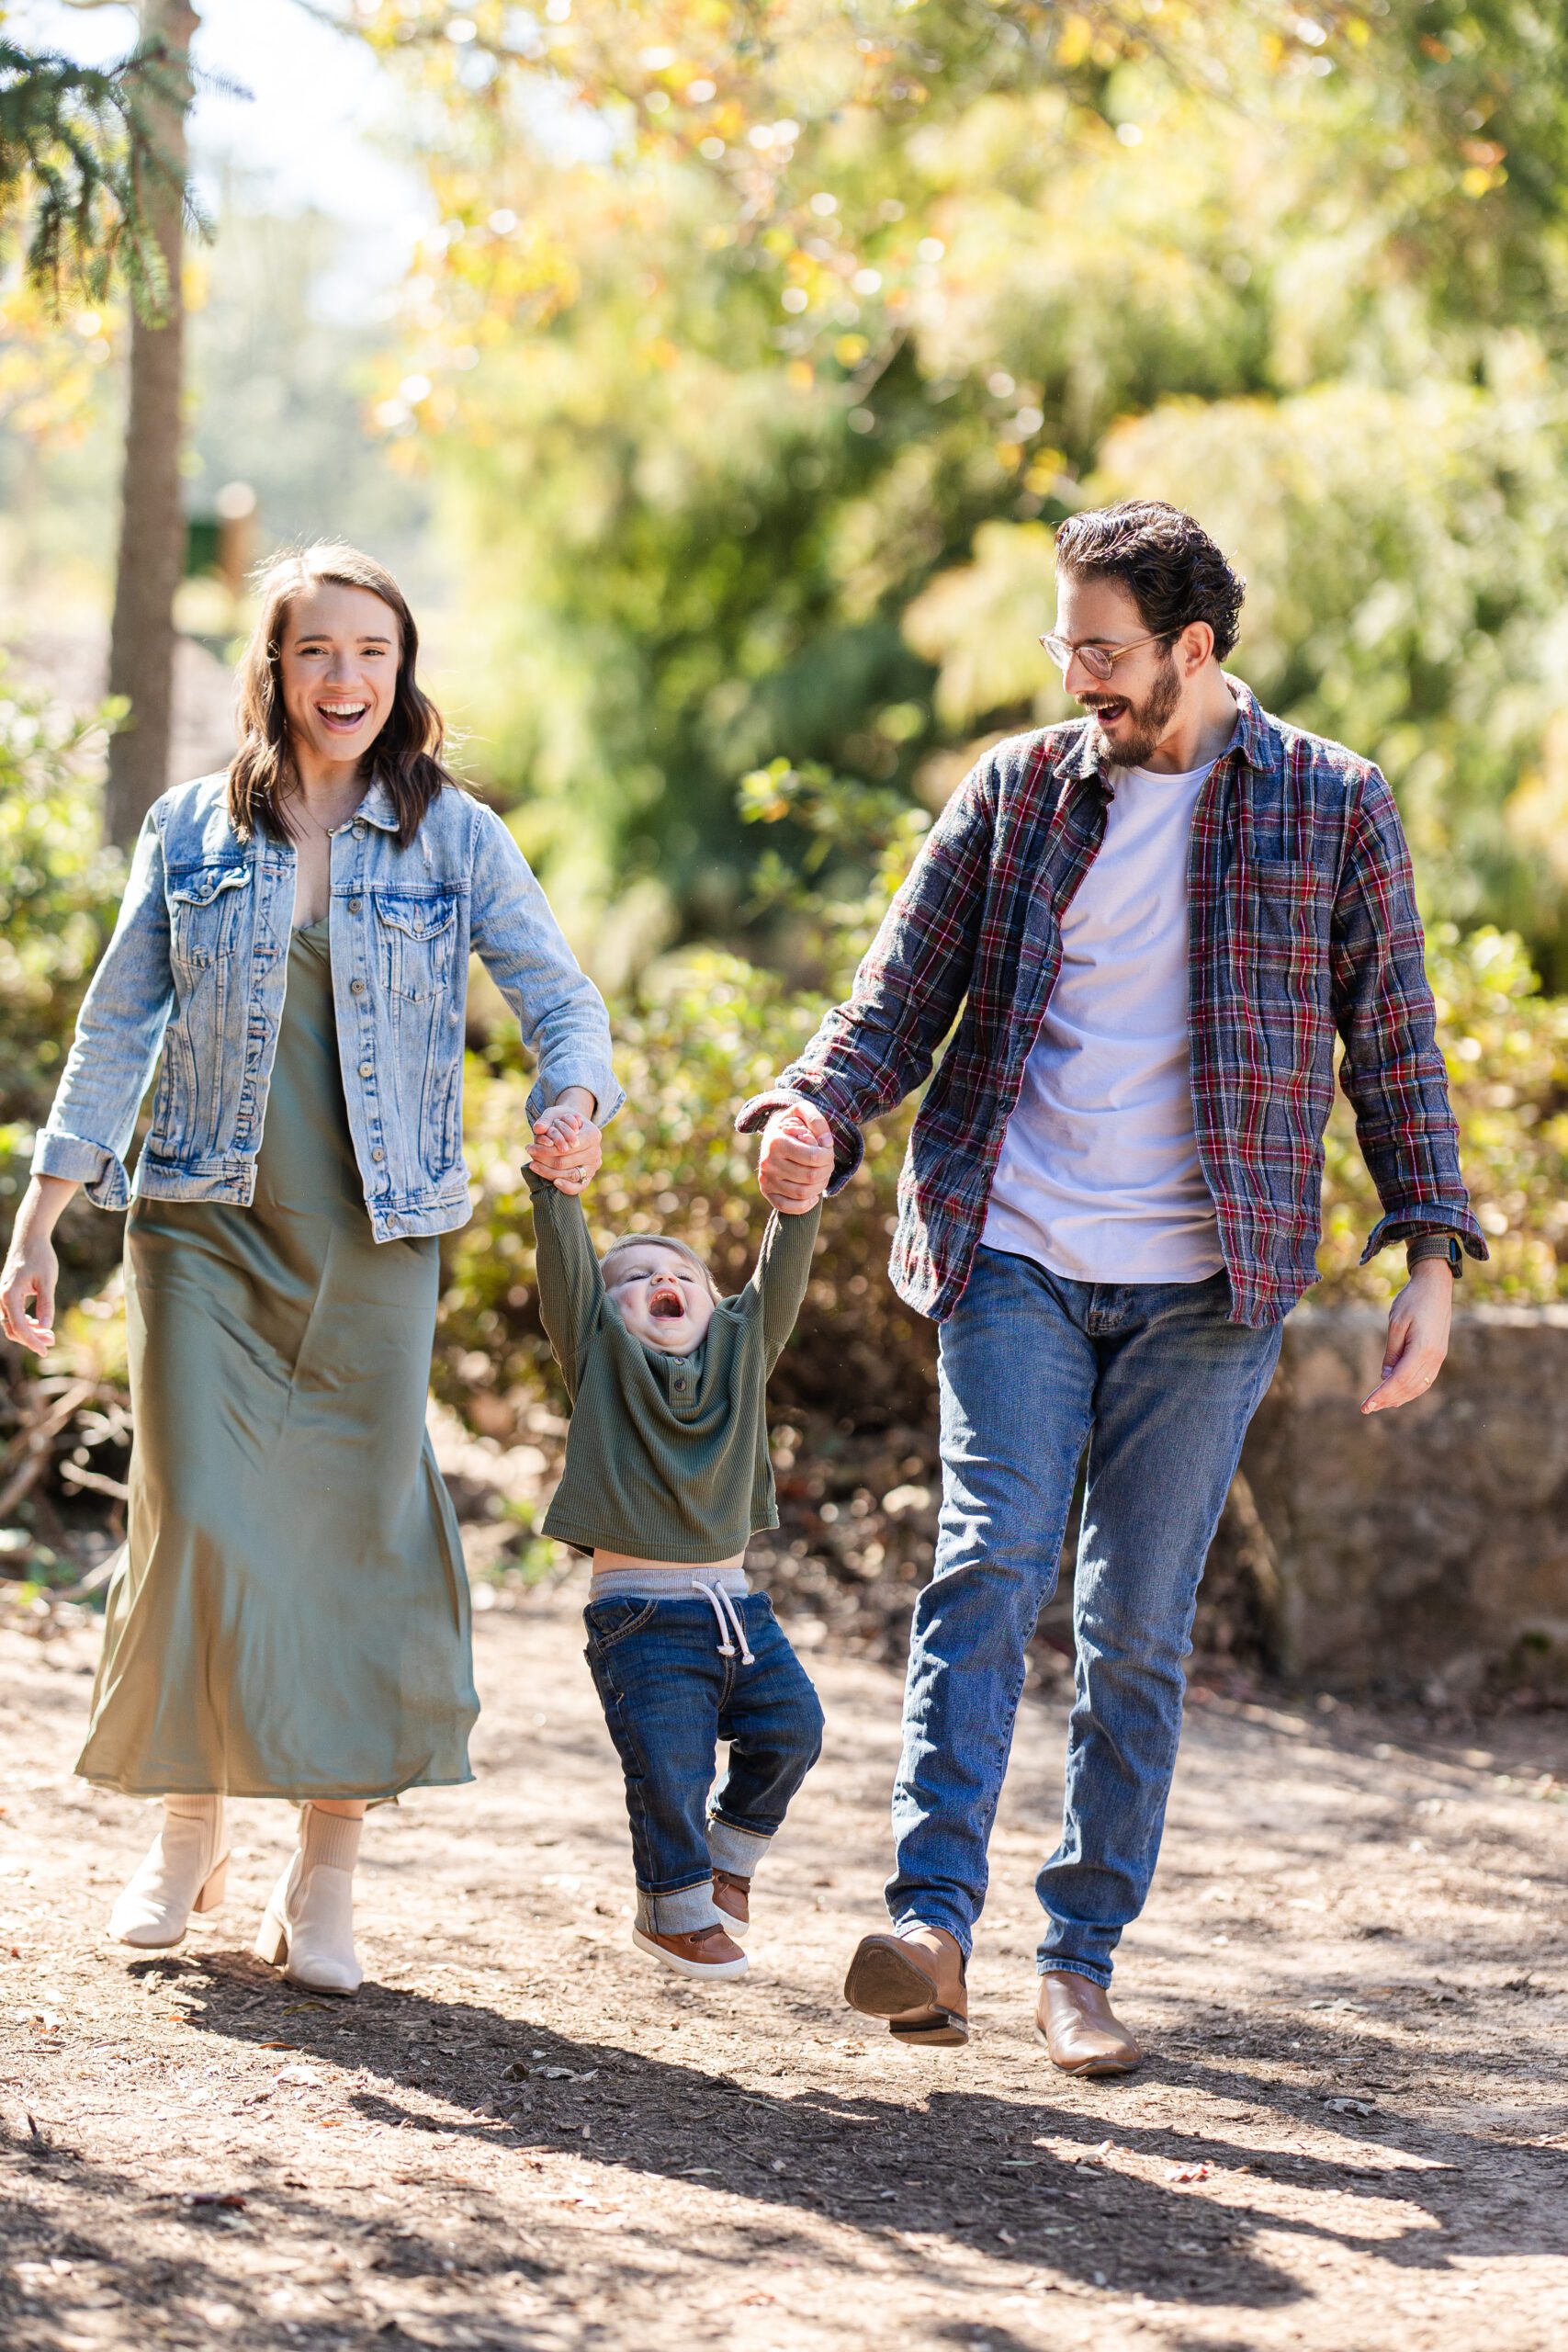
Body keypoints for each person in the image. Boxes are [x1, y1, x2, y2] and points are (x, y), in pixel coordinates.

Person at [739, 500, 1483, 2070]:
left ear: (1192, 648)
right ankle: (931, 1923)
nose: (1075, 672)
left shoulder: (1328, 803)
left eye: (1103, 647)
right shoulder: (1015, 792)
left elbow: (1394, 1041)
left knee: (1136, 1623)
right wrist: (814, 1107)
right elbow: (896, 996)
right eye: (1062, 642)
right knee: (986, 1563)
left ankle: (1077, 1958)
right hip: (1011, 1241)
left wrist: (1429, 1252)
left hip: (1209, 1282)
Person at [0, 542, 617, 1995]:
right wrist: (40, 1217)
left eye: (371, 653)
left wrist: (570, 1099)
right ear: (271, 671)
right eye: (315, 652)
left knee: (354, 1535)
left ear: (403, 673)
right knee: (199, 1518)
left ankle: (325, 1867)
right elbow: (113, 1028)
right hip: (201, 1219)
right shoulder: (188, 828)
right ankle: (187, 1823)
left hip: (374, 1231)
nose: (344, 679)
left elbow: (559, 996)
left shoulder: (451, 833)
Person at [525, 1104, 825, 1982]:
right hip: (639, 1620)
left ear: (715, 1300)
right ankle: (673, 1911)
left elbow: (781, 1275)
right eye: (632, 1277)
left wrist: (797, 1200)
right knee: (671, 1765)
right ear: (603, 1312)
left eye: (681, 1272)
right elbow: (566, 1266)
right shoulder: (600, 1357)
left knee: (793, 1728)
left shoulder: (741, 1353)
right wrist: (554, 1188)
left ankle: (728, 1860)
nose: (662, 1279)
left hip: (736, 1610)